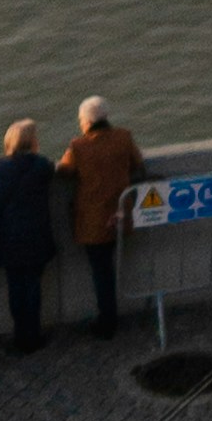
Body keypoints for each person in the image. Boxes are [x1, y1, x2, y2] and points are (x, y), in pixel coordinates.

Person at [58, 101, 139, 338]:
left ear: (87, 122)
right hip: (122, 216)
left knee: (102, 272)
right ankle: (111, 316)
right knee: (109, 268)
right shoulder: (124, 137)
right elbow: (137, 163)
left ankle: (107, 322)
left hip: (94, 223)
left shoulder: (78, 146)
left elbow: (64, 171)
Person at [0, 123, 53, 356]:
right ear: (32, 141)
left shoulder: (2, 168)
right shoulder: (42, 167)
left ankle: (20, 336)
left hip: (10, 236)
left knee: (15, 289)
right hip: (36, 235)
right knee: (32, 287)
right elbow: (51, 172)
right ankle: (34, 336)